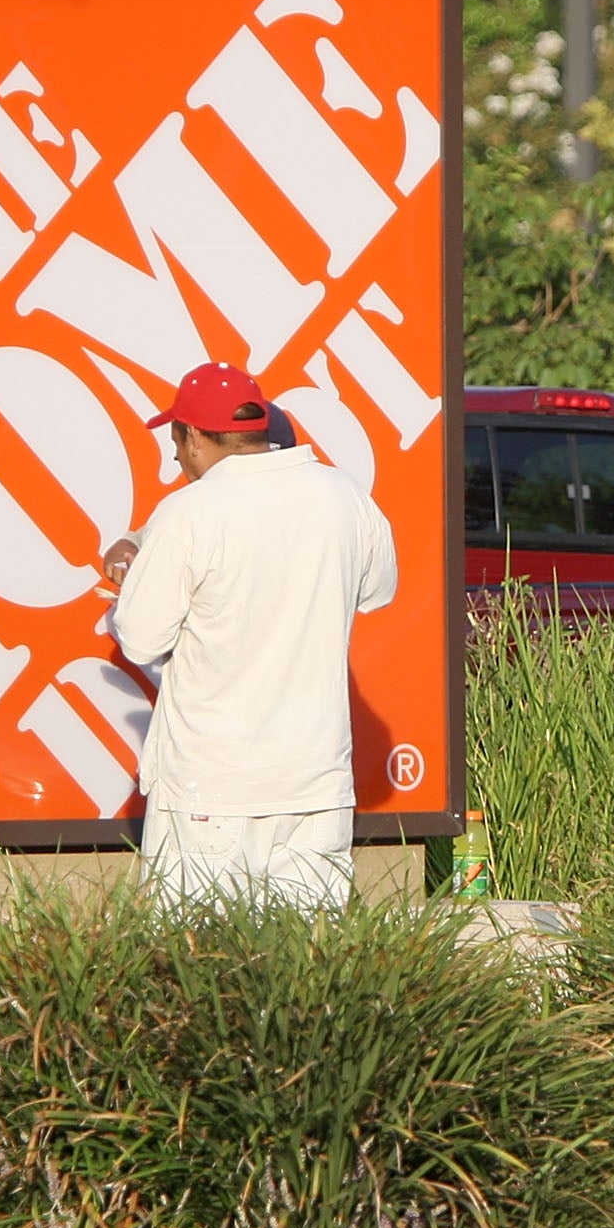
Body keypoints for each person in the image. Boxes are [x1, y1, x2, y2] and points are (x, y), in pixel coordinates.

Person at [109, 362, 397, 910]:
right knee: (308, 966)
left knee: (195, 967)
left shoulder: (190, 511)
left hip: (210, 783)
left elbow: (142, 639)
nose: (174, 456)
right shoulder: (343, 495)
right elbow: (378, 591)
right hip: (314, 783)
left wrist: (133, 581)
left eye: (175, 439)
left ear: (193, 436)